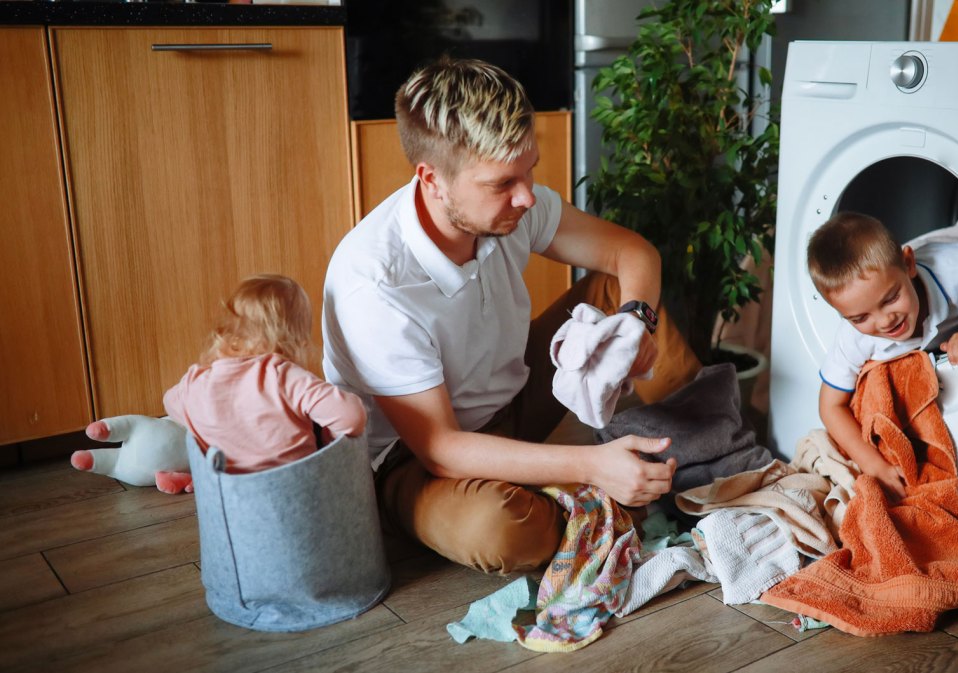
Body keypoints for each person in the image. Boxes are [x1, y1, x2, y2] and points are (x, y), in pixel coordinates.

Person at [322, 58, 702, 574]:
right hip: (414, 459)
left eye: (530, 170)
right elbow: (441, 449)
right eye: (502, 183)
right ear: (432, 179)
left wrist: (636, 323)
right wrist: (591, 465)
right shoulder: (375, 284)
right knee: (499, 531)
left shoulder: (515, 203)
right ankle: (604, 493)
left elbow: (631, 254)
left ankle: (707, 459)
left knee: (621, 294)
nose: (526, 196)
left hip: (511, 395)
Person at [807, 212, 958, 501]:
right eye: (860, 317)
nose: (885, 321)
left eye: (891, 298)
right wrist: (872, 463)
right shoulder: (855, 338)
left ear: (909, 264)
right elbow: (830, 406)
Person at [164, 274, 367, 474]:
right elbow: (351, 415)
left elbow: (170, 402)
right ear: (296, 339)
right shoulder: (284, 377)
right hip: (297, 488)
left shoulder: (198, 382)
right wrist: (330, 441)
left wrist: (214, 426)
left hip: (225, 493)